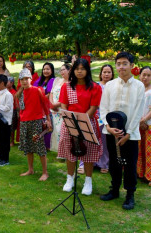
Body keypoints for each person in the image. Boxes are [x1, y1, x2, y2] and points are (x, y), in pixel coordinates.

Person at [99, 52, 145, 210]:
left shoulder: (139, 86)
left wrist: (128, 133)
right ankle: (114, 190)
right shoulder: (110, 85)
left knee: (130, 165)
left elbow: (139, 111)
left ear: (132, 66)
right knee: (114, 163)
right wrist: (108, 127)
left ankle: (130, 195)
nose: (121, 67)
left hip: (130, 135)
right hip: (111, 132)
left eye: (125, 63)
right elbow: (103, 107)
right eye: (118, 64)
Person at [58, 59, 103, 195]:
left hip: (87, 123)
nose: (79, 71)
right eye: (77, 68)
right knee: (70, 151)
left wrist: (82, 122)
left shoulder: (95, 87)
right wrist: (71, 120)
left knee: (88, 152)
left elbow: (93, 107)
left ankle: (88, 181)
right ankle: (70, 178)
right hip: (69, 123)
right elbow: (64, 105)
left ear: (87, 70)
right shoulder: (67, 86)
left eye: (82, 68)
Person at [78, 64, 114, 174]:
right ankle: (84, 163)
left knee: (104, 141)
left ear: (112, 74)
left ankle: (104, 163)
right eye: (104, 72)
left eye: (109, 72)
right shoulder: (94, 85)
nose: (106, 74)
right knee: (88, 140)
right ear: (101, 73)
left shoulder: (114, 86)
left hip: (108, 117)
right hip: (94, 115)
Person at [17, 68, 51, 181]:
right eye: (22, 79)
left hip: (36, 121)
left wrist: (48, 119)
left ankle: (45, 172)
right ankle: (30, 169)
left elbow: (45, 105)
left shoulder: (37, 90)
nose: (24, 81)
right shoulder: (20, 93)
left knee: (40, 146)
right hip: (24, 122)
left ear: (31, 79)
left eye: (26, 79)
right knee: (28, 147)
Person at [0, 74, 14, 166]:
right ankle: (0, 158)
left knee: (5, 141)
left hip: (5, 121)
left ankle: (5, 159)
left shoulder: (8, 95)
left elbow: (7, 108)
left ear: (2, 83)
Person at [33, 62, 56, 151]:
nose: (45, 71)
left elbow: (48, 95)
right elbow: (33, 91)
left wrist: (40, 98)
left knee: (47, 125)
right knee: (39, 125)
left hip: (46, 107)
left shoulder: (52, 80)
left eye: (48, 69)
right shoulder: (39, 80)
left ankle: (47, 146)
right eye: (44, 69)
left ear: (51, 70)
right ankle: (38, 143)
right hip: (37, 106)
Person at [49, 63, 71, 152]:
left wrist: (56, 104)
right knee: (55, 131)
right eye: (60, 70)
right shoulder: (57, 80)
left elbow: (68, 97)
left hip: (62, 109)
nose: (61, 72)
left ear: (69, 70)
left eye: (63, 70)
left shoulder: (71, 83)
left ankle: (64, 151)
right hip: (53, 109)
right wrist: (51, 103)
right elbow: (51, 92)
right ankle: (57, 150)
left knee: (62, 131)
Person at [7, 76, 18, 146]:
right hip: (6, 111)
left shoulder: (14, 92)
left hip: (12, 111)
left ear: (12, 83)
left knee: (12, 127)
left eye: (7, 82)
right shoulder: (5, 91)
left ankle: (12, 141)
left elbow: (16, 103)